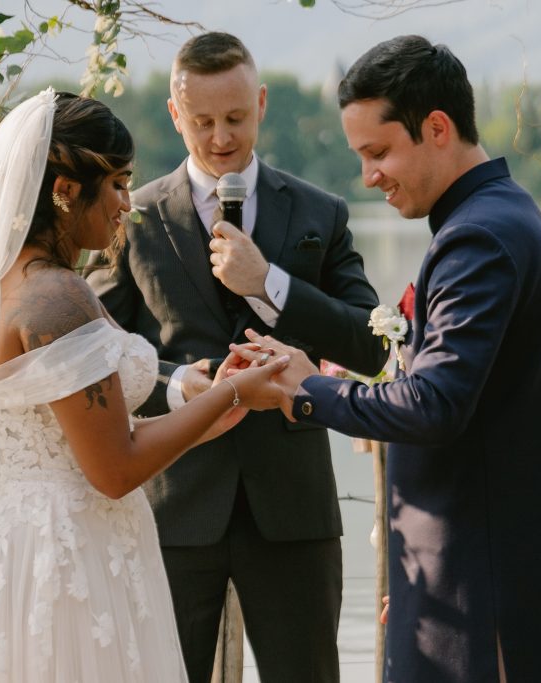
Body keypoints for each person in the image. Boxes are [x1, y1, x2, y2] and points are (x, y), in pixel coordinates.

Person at [232, 35, 541, 683]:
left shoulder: (478, 239)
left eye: (378, 152)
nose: (368, 176)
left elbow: (435, 403)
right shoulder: (500, 217)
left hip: (486, 600)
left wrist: (305, 389)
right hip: (477, 573)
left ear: (437, 127)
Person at [0, 91, 290, 682]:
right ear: (64, 190)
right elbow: (113, 468)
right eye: (116, 183)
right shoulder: (56, 298)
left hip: (16, 535)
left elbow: (86, 437)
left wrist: (206, 399)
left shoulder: (5, 287)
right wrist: (237, 394)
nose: (126, 203)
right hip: (65, 552)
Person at [86, 32, 387, 682]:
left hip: (293, 507)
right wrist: (177, 384)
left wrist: (271, 284)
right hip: (173, 503)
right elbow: (94, 353)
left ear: (261, 102)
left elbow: (371, 342)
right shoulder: (130, 217)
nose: (220, 136)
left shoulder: (320, 211)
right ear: (175, 114)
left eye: (235, 118)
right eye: (202, 121)